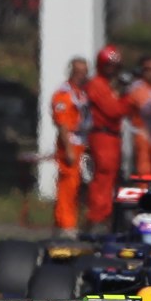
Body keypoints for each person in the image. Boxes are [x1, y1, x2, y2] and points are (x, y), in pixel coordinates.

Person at [85, 44, 129, 229]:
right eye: (109, 66)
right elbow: (114, 110)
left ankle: (105, 217)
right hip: (103, 137)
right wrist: (126, 97)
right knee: (102, 180)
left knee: (110, 180)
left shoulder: (109, 86)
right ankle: (97, 218)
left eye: (115, 67)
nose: (113, 71)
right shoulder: (97, 85)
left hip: (112, 138)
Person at [50, 57, 90, 236]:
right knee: (68, 185)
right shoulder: (63, 94)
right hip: (70, 144)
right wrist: (68, 149)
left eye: (84, 72)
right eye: (78, 72)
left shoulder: (82, 93)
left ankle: (73, 222)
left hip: (81, 143)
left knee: (77, 187)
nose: (81, 76)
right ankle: (65, 225)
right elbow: (62, 124)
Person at [126, 55, 151, 176]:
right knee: (145, 170)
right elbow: (147, 109)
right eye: (147, 69)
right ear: (141, 70)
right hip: (142, 134)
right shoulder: (138, 88)